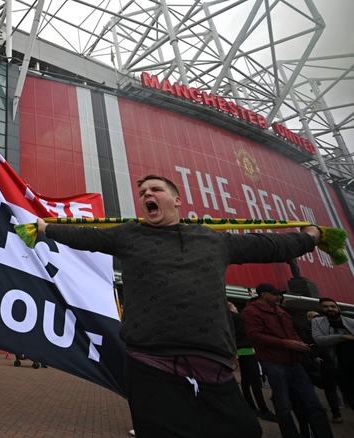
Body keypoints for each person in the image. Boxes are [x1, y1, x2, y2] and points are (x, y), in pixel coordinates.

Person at [36, 174, 322, 438]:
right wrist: (46, 228)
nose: (147, 193)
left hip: (214, 368)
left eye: (155, 189)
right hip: (150, 365)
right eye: (143, 192)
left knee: (246, 432)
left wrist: (310, 238)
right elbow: (86, 237)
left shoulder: (212, 240)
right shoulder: (128, 235)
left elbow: (269, 245)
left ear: (176, 200)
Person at [241, 283, 333, 438]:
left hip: (295, 362)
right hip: (274, 363)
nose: (279, 297)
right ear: (264, 294)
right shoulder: (251, 312)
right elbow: (255, 336)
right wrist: (287, 343)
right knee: (283, 407)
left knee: (314, 404)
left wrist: (300, 345)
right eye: (276, 294)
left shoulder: (281, 312)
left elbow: (292, 331)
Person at [229, 301, 277, 422]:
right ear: (231, 308)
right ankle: (264, 410)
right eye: (235, 306)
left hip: (239, 350)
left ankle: (251, 407)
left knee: (245, 380)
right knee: (256, 380)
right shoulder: (240, 318)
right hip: (248, 350)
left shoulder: (229, 320)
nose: (236, 308)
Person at [312, 297, 354, 419]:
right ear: (321, 309)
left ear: (338, 308)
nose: (329, 309)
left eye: (332, 306)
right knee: (349, 394)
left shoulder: (350, 322)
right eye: (325, 306)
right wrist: (343, 337)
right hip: (337, 365)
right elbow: (319, 340)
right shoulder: (318, 322)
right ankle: (336, 413)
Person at [298, 310, 342, 423]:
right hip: (320, 360)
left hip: (332, 359)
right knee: (328, 387)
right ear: (309, 318)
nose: (316, 319)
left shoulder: (324, 327)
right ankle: (335, 412)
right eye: (314, 317)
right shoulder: (305, 329)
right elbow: (307, 344)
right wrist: (313, 357)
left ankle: (338, 407)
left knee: (334, 386)